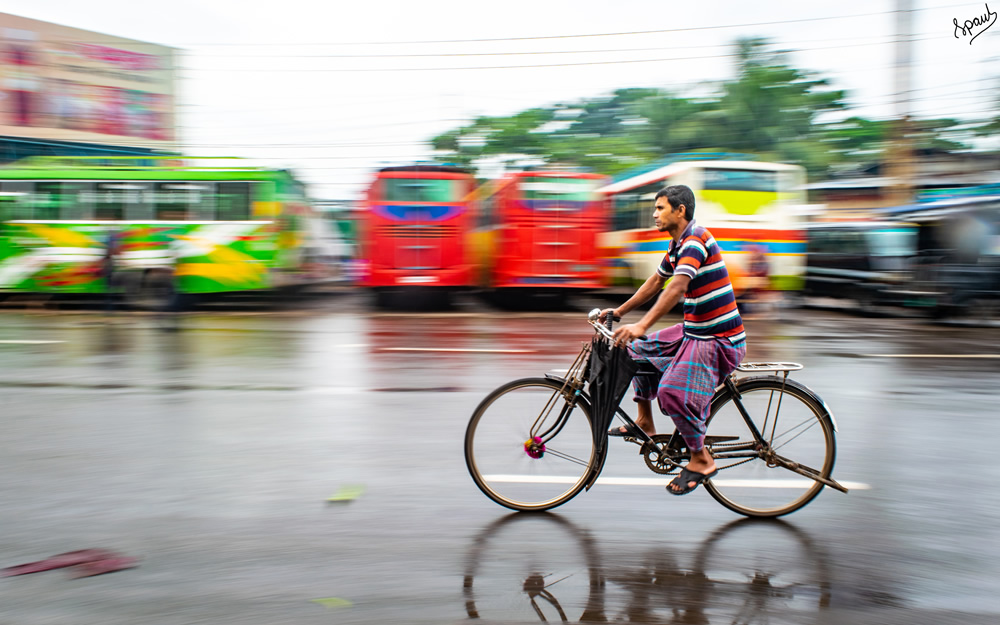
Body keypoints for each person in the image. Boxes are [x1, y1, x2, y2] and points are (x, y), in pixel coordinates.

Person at [600, 185, 747, 496]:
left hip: (718, 339)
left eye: (661, 208)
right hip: (695, 330)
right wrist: (621, 311)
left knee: (671, 392)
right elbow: (657, 281)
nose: (654, 214)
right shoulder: (677, 244)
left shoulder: (695, 241)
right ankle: (644, 421)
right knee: (633, 350)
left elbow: (676, 288)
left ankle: (700, 459)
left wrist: (642, 324)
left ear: (680, 211)